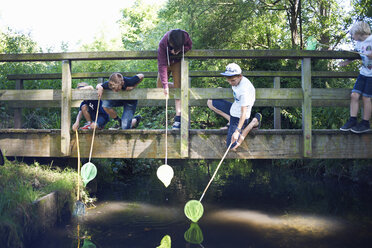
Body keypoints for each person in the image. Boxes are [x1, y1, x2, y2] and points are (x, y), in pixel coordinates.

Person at [207, 63, 262, 150]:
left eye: (233, 80)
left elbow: (243, 113)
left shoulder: (244, 91)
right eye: (228, 80)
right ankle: (230, 121)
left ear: (240, 76)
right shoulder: (237, 81)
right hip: (234, 109)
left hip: (240, 116)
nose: (230, 83)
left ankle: (253, 122)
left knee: (232, 145)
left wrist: (237, 131)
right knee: (210, 102)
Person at [339, 21, 372, 133]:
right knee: (354, 95)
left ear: (359, 32)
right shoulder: (359, 43)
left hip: (371, 76)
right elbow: (357, 54)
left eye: (353, 34)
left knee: (366, 98)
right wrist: (347, 61)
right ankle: (353, 119)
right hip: (363, 73)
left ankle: (365, 123)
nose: (353, 37)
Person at [157, 29, 192, 129]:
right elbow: (162, 65)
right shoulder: (163, 44)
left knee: (178, 88)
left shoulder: (185, 36)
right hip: (166, 62)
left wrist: (180, 50)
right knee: (160, 87)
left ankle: (178, 118)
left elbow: (189, 46)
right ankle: (172, 85)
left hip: (176, 62)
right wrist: (165, 85)